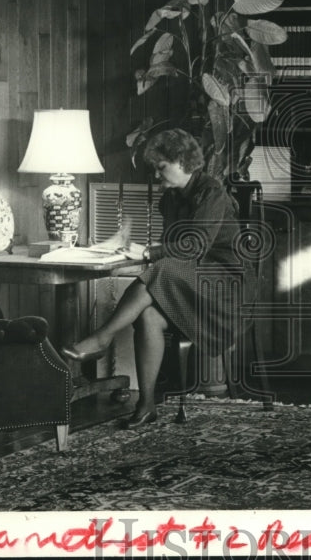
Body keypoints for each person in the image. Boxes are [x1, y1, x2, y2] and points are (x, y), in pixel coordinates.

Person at [61, 129, 245, 427]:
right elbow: (171, 248)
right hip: (189, 283)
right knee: (147, 315)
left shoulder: (212, 192)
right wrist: (127, 248)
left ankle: (102, 337)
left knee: (162, 268)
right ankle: (146, 405)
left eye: (162, 167)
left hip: (221, 285)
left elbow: (194, 247)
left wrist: (147, 253)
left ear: (184, 162)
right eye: (156, 168)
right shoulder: (171, 199)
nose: (158, 175)